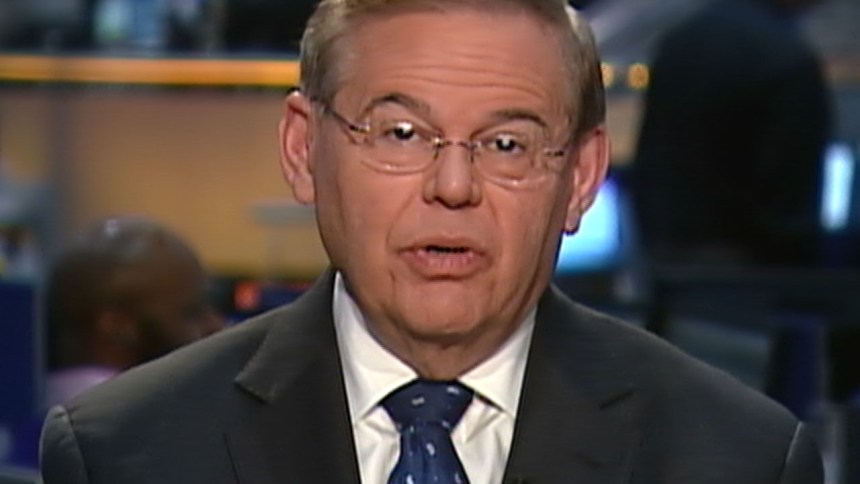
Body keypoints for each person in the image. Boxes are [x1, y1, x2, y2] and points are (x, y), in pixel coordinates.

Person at [40, 1, 822, 483]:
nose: (452, 186)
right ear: (303, 150)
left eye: (507, 145)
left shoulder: (739, 461)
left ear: (581, 176)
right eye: (401, 134)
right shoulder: (125, 454)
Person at [632, 0, 831, 268]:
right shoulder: (789, 61)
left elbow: (650, 167)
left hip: (664, 268)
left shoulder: (679, 41)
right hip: (755, 278)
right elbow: (789, 211)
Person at [43, 216, 224, 407]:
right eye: (192, 313)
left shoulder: (42, 405)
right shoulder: (145, 418)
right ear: (116, 327)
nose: (216, 327)